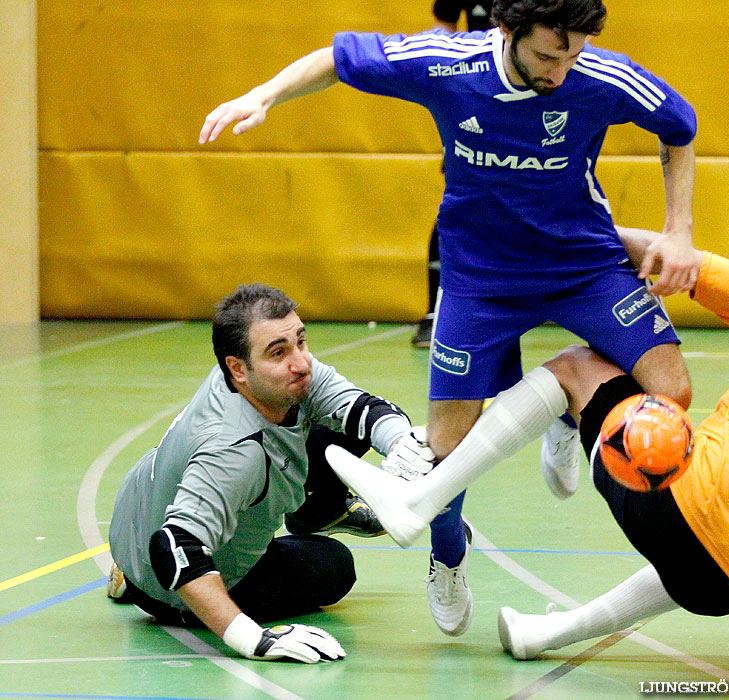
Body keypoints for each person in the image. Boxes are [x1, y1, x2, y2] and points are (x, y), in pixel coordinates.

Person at [199, 0, 699, 638]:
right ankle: (448, 557)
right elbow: (335, 59)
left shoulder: (601, 77)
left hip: (582, 261)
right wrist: (265, 95)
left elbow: (679, 125)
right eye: (549, 53)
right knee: (445, 448)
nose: (562, 68)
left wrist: (678, 231)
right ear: (507, 32)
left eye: (573, 52)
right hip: (479, 280)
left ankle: (568, 415)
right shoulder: (446, 65)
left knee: (671, 391)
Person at [326, 225, 729, 659]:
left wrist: (571, 230)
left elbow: (666, 256)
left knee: (577, 366)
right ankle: (545, 634)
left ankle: (421, 498)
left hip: (672, 512)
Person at [106, 283, 417, 663]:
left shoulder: (254, 372)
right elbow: (174, 549)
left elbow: (362, 408)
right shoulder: (233, 454)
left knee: (341, 427)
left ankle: (320, 510)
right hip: (168, 586)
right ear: (238, 368)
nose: (301, 363)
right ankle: (146, 589)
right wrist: (252, 639)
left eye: (300, 341)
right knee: (334, 565)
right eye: (279, 352)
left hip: (135, 518)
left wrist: (407, 447)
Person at [412, 0, 495, 348]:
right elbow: (442, 20)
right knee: (460, 206)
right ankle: (435, 313)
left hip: (534, 101)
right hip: (478, 103)